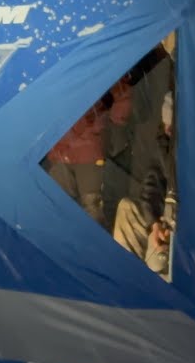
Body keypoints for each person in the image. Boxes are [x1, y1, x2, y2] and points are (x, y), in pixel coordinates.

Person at [111, 32, 178, 280]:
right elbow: (153, 178)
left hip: (179, 216)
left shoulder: (175, 146)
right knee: (127, 209)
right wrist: (154, 223)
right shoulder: (163, 144)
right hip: (143, 128)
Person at [43, 76, 132, 226]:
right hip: (66, 154)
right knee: (64, 213)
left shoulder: (88, 66)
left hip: (79, 154)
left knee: (86, 211)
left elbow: (122, 98)